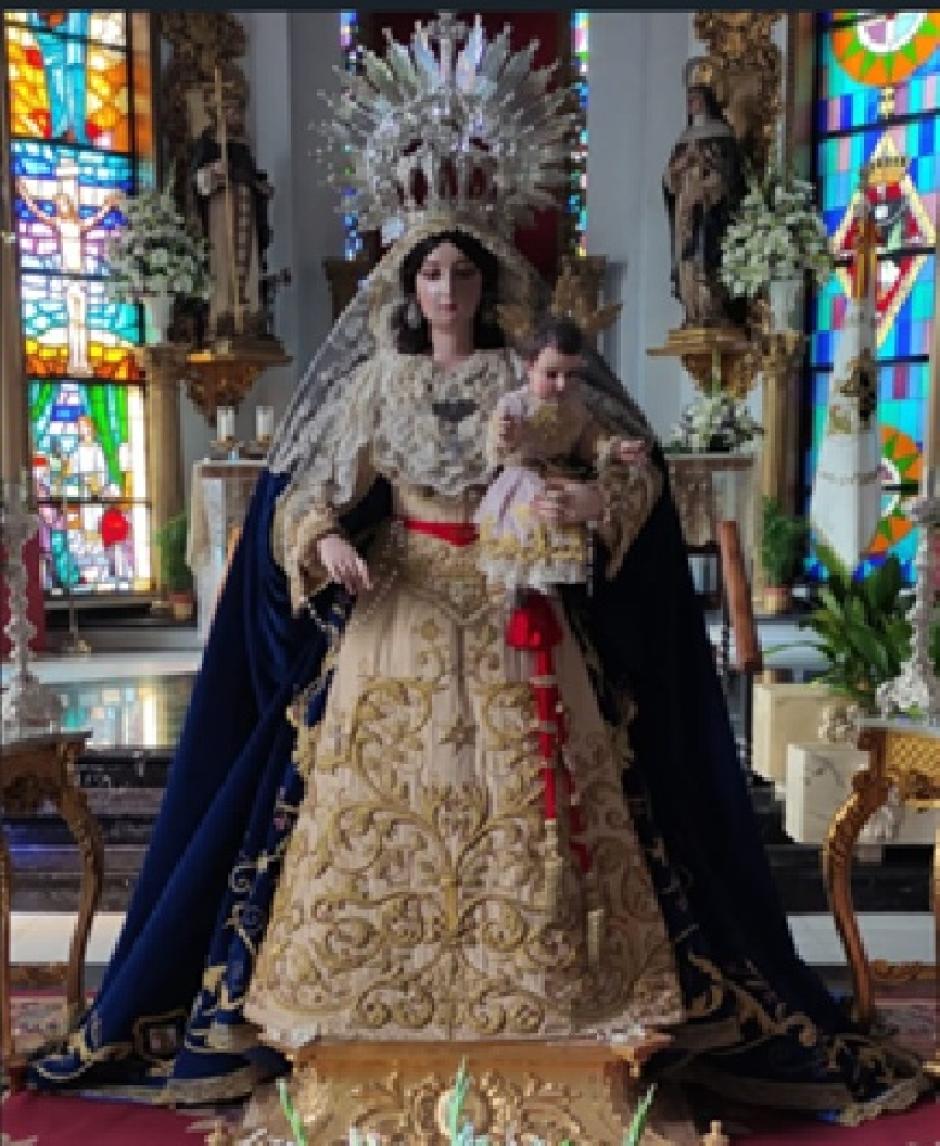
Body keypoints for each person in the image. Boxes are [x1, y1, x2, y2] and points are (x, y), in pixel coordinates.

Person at [33, 14, 926, 1131]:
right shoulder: (377, 385)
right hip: (397, 607)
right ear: (406, 287)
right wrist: (326, 541)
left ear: (485, 276)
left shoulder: (533, 366)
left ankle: (563, 1003)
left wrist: (593, 498)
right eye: (429, 269)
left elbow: (626, 464)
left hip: (518, 605)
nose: (447, 284)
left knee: (539, 803)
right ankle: (356, 1002)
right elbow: (306, 489)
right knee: (378, 808)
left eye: (461, 266)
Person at [475, 315, 647, 595]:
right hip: (524, 484)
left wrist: (615, 448)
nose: (561, 384)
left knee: (559, 561)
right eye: (551, 374)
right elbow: (498, 441)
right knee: (522, 554)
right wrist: (504, 434)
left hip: (563, 483)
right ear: (530, 366)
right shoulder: (517, 403)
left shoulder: (576, 405)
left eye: (571, 375)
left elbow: (589, 439)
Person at [662, 59, 746, 328]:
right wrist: (676, 172)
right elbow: (666, 183)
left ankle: (710, 308)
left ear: (708, 100)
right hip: (685, 208)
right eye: (689, 98)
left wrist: (709, 181)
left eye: (696, 98)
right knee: (686, 255)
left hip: (709, 210)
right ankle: (692, 308)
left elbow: (731, 178)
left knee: (705, 255)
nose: (691, 103)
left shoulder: (722, 135)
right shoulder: (683, 139)